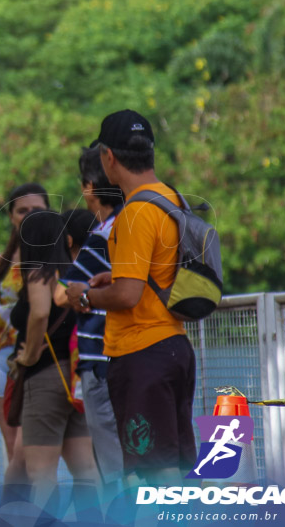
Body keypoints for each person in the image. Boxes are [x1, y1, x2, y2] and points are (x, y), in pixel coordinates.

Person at [66, 109, 196, 486]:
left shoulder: (135, 212)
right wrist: (115, 277)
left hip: (143, 355)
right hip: (174, 348)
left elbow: (127, 294)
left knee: (153, 475)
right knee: (176, 467)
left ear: (108, 157)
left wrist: (87, 295)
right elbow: (157, 271)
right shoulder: (171, 198)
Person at [10, 209, 98, 508]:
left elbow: (39, 313)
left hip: (47, 375)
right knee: (85, 467)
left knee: (40, 472)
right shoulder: (74, 272)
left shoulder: (39, 270)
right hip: (76, 373)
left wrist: (29, 356)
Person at [56, 150, 125, 496]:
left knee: (113, 468)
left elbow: (62, 295)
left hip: (101, 363)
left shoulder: (102, 235)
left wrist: (81, 294)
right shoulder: (136, 222)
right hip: (138, 358)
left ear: (89, 188)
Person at [0, 183, 49, 476]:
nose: (30, 215)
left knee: (39, 452)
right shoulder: (1, 262)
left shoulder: (59, 255)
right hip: (2, 360)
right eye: (23, 210)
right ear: (11, 216)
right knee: (14, 450)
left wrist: (18, 314)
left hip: (46, 358)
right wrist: (27, 314)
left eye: (37, 210)